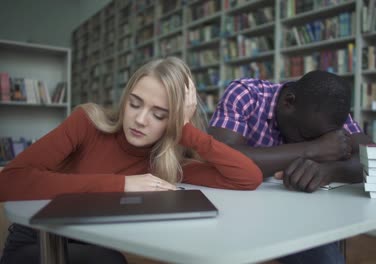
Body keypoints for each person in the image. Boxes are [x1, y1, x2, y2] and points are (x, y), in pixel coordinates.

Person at [0, 57, 262, 264]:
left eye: (159, 115)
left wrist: (185, 130)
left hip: (93, 244)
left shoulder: (167, 164)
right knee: (108, 260)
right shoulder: (86, 122)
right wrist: (122, 184)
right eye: (135, 104)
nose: (140, 120)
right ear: (125, 99)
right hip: (40, 243)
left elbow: (247, 177)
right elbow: (8, 182)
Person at [208, 70, 372, 264]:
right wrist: (313, 148)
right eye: (305, 134)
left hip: (295, 215)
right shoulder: (246, 94)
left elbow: (371, 157)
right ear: (288, 102)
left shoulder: (326, 109)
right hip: (233, 209)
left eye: (318, 137)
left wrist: (329, 171)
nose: (312, 140)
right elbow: (221, 158)